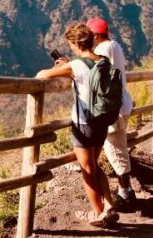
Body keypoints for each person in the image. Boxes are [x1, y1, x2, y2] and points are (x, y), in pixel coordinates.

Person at [36, 23, 119, 227]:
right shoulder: (104, 61)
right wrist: (68, 66)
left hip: (84, 124)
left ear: (74, 44)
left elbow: (41, 75)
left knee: (87, 169)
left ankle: (98, 213)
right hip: (102, 120)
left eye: (70, 44)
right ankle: (109, 205)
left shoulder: (75, 66)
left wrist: (62, 67)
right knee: (94, 164)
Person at [86, 17, 136, 209]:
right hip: (122, 103)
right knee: (120, 148)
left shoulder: (101, 50)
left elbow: (92, 71)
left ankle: (125, 194)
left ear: (96, 34)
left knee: (114, 150)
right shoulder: (116, 46)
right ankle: (127, 190)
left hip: (110, 107)